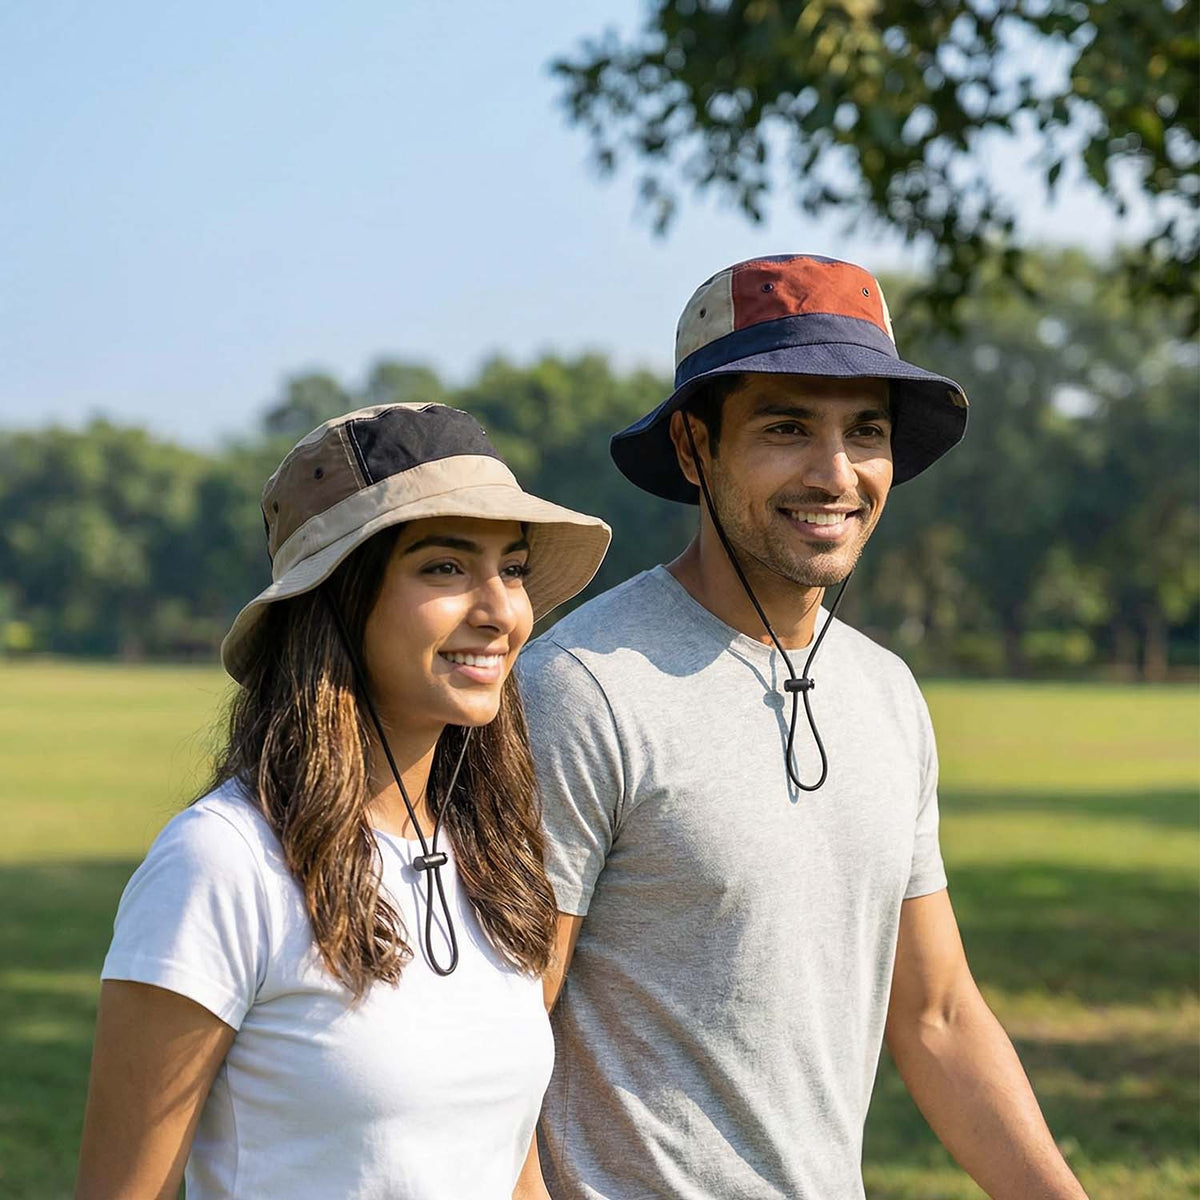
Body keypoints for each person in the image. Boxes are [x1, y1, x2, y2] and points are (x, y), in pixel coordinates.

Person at [517, 255, 1089, 1199]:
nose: (836, 474)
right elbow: (497, 1042)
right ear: (696, 449)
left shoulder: (887, 692)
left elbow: (938, 1015)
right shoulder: (583, 688)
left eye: (865, 431)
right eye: (786, 428)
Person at [76, 402, 610, 1200]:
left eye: (513, 568)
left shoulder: (494, 859)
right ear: (339, 600)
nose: (500, 610)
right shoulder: (221, 864)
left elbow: (507, 1161)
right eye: (444, 567)